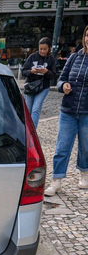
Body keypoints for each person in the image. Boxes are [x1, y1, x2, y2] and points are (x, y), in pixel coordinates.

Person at [45, 25, 88, 196]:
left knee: (85, 147)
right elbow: (61, 79)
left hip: (87, 112)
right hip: (68, 109)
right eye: (87, 35)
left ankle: (84, 174)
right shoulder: (74, 57)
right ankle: (56, 181)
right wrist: (64, 86)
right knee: (62, 147)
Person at [22, 37, 56, 128]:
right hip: (30, 86)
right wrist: (31, 72)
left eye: (45, 49)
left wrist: (46, 72)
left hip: (43, 87)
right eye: (41, 49)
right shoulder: (32, 57)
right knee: (28, 110)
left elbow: (53, 75)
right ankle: (26, 129)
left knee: (36, 109)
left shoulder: (51, 59)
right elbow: (23, 72)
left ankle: (32, 132)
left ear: (49, 48)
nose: (42, 51)